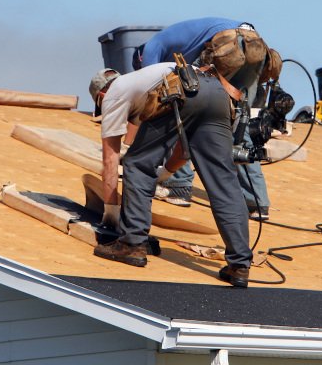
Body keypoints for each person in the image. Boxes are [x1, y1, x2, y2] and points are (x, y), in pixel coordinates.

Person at [88, 64, 253, 287]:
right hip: (216, 91)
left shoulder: (114, 93)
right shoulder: (141, 82)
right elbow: (185, 148)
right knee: (224, 181)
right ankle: (239, 266)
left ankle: (132, 244)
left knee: (137, 163)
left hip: (178, 89)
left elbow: (110, 159)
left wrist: (111, 212)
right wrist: (166, 173)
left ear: (101, 94)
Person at [134, 17, 273, 220]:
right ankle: (256, 203)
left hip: (229, 44)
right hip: (255, 45)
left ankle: (178, 185)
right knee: (238, 122)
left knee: (181, 109)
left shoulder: (150, 49)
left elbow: (149, 86)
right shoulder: (181, 45)